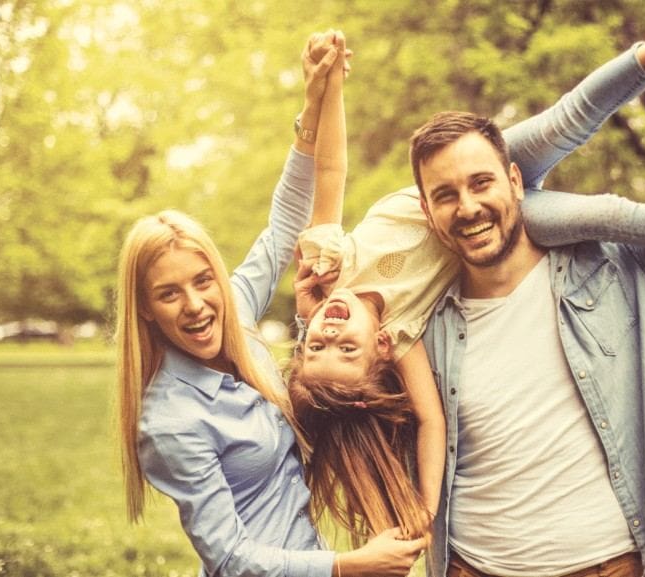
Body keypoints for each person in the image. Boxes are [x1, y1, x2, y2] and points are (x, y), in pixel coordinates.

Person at [286, 11, 645, 561]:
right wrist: (309, 323)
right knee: (561, 148)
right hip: (472, 567)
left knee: (572, 138)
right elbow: (343, 397)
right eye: (446, 197)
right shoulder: (414, 325)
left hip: (605, 566)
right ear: (430, 209)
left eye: (483, 184)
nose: (467, 208)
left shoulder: (613, 273)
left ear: (514, 179)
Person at [114, 33, 424, 577]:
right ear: (145, 309)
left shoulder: (232, 308)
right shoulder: (170, 420)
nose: (196, 305)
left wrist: (313, 103)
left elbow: (284, 226)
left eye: (202, 281)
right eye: (169, 293)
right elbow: (229, 557)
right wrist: (348, 566)